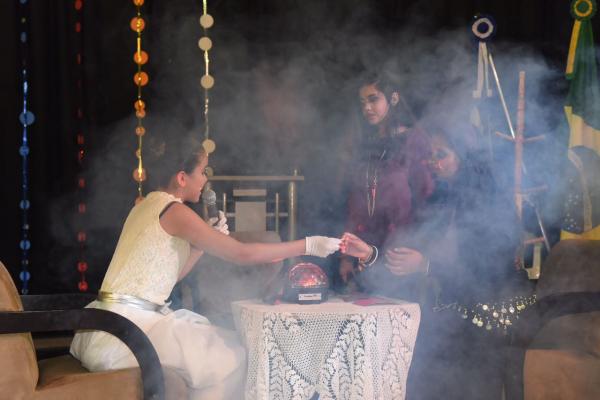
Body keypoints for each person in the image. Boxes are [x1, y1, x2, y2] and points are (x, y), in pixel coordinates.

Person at [70, 133, 341, 400]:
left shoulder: (145, 205)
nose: (205, 180)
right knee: (234, 356)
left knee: (226, 350)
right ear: (182, 178)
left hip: (107, 326)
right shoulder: (175, 211)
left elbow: (169, 277)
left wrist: (199, 246)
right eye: (202, 172)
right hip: (128, 333)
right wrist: (308, 245)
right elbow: (242, 253)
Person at [340, 125, 533, 400]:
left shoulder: (488, 202)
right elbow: (409, 254)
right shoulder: (439, 199)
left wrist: (427, 266)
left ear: (463, 156)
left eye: (441, 154)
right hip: (454, 313)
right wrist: (369, 255)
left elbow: (487, 269)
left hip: (494, 317)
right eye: (431, 156)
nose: (433, 162)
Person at [337, 70, 434, 289]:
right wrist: (347, 256)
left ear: (393, 98)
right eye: (363, 102)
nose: (367, 108)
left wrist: (424, 256)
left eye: (373, 99)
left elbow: (427, 198)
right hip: (367, 250)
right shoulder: (366, 144)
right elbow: (355, 203)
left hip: (403, 252)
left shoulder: (414, 140)